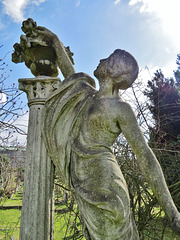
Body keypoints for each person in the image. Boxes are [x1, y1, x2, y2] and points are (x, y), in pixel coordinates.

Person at [38, 26, 180, 239]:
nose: (101, 60)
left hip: (107, 186)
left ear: (114, 71)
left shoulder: (121, 109)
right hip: (83, 179)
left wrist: (172, 212)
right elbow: (72, 74)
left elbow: (145, 156)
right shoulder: (86, 94)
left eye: (108, 59)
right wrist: (56, 42)